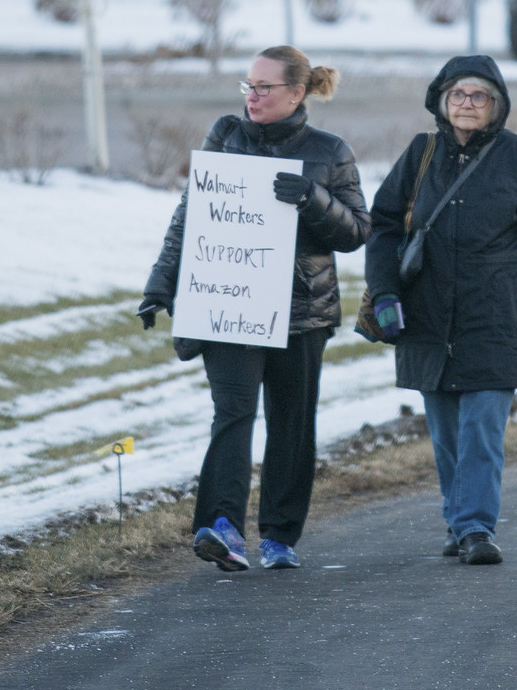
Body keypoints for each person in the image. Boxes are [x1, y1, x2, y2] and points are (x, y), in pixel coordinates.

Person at [365, 55, 517, 566]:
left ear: (496, 104)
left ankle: (476, 526)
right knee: (447, 432)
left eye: (479, 96)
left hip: (498, 319)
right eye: (458, 95)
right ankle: (460, 519)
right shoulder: (422, 153)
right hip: (428, 318)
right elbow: (384, 225)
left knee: (480, 427)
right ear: (441, 100)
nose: (467, 104)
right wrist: (384, 293)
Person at [139, 46, 368, 573]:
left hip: (301, 313)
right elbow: (191, 214)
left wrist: (313, 199)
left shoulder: (331, 151)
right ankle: (221, 528)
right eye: (248, 86)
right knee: (234, 413)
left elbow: (358, 231)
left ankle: (281, 536)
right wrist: (161, 283)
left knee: (291, 423)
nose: (252, 97)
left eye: (264, 88)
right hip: (228, 306)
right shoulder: (226, 135)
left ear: (297, 92)